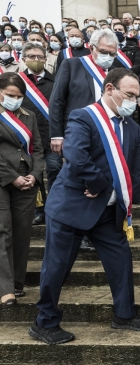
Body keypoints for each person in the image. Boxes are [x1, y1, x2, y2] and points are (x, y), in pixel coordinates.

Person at [30, 68, 140, 345]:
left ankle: (124, 315)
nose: (133, 100)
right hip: (72, 207)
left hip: (108, 212)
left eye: (137, 96)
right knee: (56, 267)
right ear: (110, 89)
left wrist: (129, 201)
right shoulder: (83, 117)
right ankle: (45, 322)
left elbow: (135, 169)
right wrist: (98, 184)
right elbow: (75, 154)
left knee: (121, 262)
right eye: (128, 94)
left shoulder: (132, 128)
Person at [49, 29, 118, 252]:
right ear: (92, 47)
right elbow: (57, 100)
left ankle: (93, 229)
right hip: (76, 135)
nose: (108, 56)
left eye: (113, 53)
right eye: (105, 51)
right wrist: (57, 135)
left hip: (105, 135)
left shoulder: (115, 73)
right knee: (79, 179)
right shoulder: (72, 65)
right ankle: (73, 227)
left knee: (99, 179)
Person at [0, 72, 44, 307]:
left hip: (27, 180)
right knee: (3, 230)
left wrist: (35, 176)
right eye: (9, 95)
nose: (14, 100)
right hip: (2, 179)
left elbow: (37, 149)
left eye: (19, 96)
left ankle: (17, 283)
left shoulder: (30, 117)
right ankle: (4, 289)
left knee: (22, 232)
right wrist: (12, 176)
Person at [17, 43, 58, 227]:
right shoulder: (16, 81)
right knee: (35, 175)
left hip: (51, 137)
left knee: (54, 169)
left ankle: (55, 208)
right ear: (24, 59)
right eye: (31, 57)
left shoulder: (55, 80)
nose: (36, 60)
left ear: (45, 59)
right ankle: (39, 210)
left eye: (40, 57)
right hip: (27, 138)